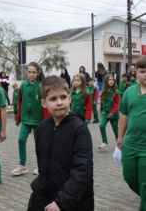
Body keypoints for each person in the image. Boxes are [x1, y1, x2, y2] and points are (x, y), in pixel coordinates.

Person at [28, 75, 94, 211]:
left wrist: (62, 201)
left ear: (69, 99)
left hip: (73, 201)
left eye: (63, 97)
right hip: (44, 197)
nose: (59, 102)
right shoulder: (42, 128)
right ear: (43, 103)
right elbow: (43, 166)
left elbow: (82, 170)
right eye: (53, 98)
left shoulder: (79, 129)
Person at [117, 55, 146, 210]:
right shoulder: (129, 92)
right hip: (131, 144)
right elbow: (123, 115)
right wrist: (120, 136)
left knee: (145, 183)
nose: (145, 74)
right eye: (142, 71)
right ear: (136, 73)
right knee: (129, 177)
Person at [12, 62, 46, 176]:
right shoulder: (23, 86)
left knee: (39, 144)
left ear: (38, 73)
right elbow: (20, 103)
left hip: (38, 121)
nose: (31, 74)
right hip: (25, 120)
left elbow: (46, 104)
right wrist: (18, 118)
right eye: (29, 72)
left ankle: (41, 165)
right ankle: (22, 166)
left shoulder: (42, 86)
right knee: (21, 140)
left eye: (33, 72)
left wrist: (46, 121)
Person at [98, 74, 120, 150]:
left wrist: (112, 112)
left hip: (114, 114)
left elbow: (117, 104)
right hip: (105, 113)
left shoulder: (116, 92)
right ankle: (105, 142)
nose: (111, 81)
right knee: (101, 125)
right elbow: (102, 102)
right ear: (106, 82)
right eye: (109, 80)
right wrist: (101, 111)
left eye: (112, 80)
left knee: (115, 130)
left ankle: (119, 143)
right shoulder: (103, 92)